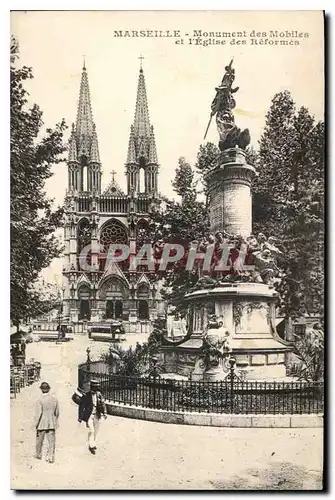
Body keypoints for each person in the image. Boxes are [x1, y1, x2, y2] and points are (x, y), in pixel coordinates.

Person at [78, 379, 107, 455]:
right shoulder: (86, 395)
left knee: (96, 430)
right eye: (94, 387)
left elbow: (103, 404)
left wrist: (105, 413)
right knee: (91, 430)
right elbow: (81, 406)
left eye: (97, 387)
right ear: (91, 387)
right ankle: (91, 445)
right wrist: (80, 417)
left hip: (97, 415)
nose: (96, 388)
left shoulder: (99, 394)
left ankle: (93, 442)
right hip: (89, 416)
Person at [35, 382, 59, 463]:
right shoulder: (54, 399)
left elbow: (39, 413)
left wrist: (36, 424)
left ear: (41, 389)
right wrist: (54, 419)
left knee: (39, 440)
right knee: (51, 441)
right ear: (49, 389)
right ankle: (50, 457)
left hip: (42, 423)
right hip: (51, 423)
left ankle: (38, 454)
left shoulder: (39, 400)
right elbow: (57, 412)